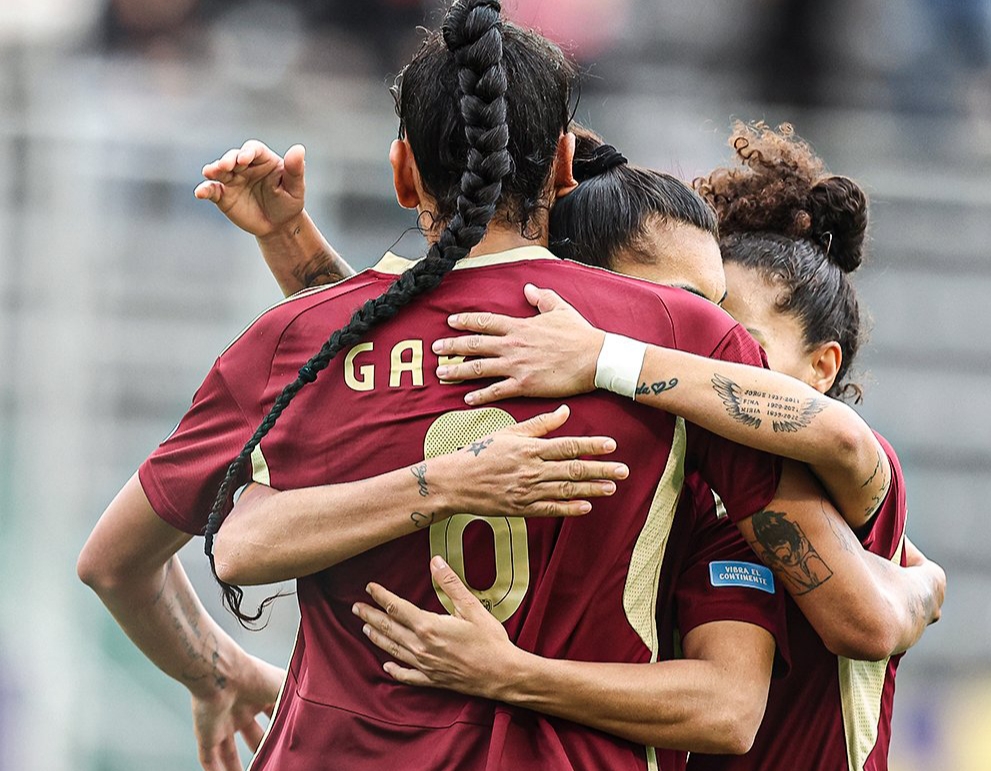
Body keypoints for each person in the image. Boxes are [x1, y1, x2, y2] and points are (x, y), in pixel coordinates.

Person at [78, 3, 841, 768]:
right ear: (565, 166)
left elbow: (114, 563)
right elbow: (823, 600)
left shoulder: (302, 340)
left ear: (403, 172)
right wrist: (900, 588)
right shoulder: (680, 337)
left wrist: (217, 672)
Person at [201, 115, 943, 769]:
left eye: (727, 325)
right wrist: (291, 243)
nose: (715, 345)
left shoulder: (783, 477)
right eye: (687, 312)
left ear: (823, 367)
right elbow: (416, 349)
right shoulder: (628, 456)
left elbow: (837, 624)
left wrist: (922, 588)